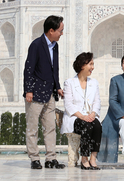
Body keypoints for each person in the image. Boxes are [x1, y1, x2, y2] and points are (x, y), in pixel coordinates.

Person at [23, 15, 66, 170]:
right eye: (60, 31)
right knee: (32, 128)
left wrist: (58, 87)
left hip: (49, 93)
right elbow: (29, 69)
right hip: (35, 93)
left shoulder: (55, 46)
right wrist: (28, 90)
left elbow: (55, 70)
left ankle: (50, 158)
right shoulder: (36, 45)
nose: (62, 33)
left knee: (50, 127)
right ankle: (34, 158)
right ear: (51, 30)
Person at [61, 52, 102, 170]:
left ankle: (93, 158)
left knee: (97, 126)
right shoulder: (69, 82)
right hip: (75, 117)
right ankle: (84, 158)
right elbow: (68, 104)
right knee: (87, 126)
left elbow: (97, 102)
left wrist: (93, 113)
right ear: (82, 65)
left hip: (90, 116)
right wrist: (82, 116)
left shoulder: (94, 83)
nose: (92, 67)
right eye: (90, 64)